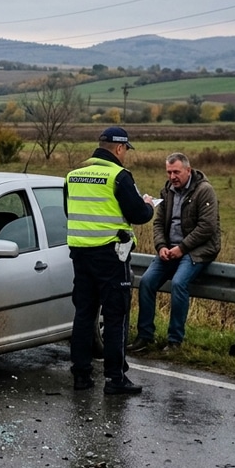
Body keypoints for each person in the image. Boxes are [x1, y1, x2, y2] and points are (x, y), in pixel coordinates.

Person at [65, 126, 154, 395]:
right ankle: (116, 378)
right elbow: (139, 214)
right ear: (119, 148)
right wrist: (148, 204)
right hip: (111, 256)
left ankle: (81, 376)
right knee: (115, 316)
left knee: (84, 315)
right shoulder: (118, 176)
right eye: (125, 150)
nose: (125, 154)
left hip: (80, 254)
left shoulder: (73, 175)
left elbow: (69, 211)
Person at [130, 153, 221, 352]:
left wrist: (182, 248)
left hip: (197, 250)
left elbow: (207, 227)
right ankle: (144, 336)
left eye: (176, 172)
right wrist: (161, 246)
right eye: (169, 172)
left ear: (188, 170)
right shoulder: (167, 191)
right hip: (170, 249)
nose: (172, 177)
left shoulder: (204, 191)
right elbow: (158, 223)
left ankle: (174, 340)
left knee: (179, 283)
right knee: (146, 282)